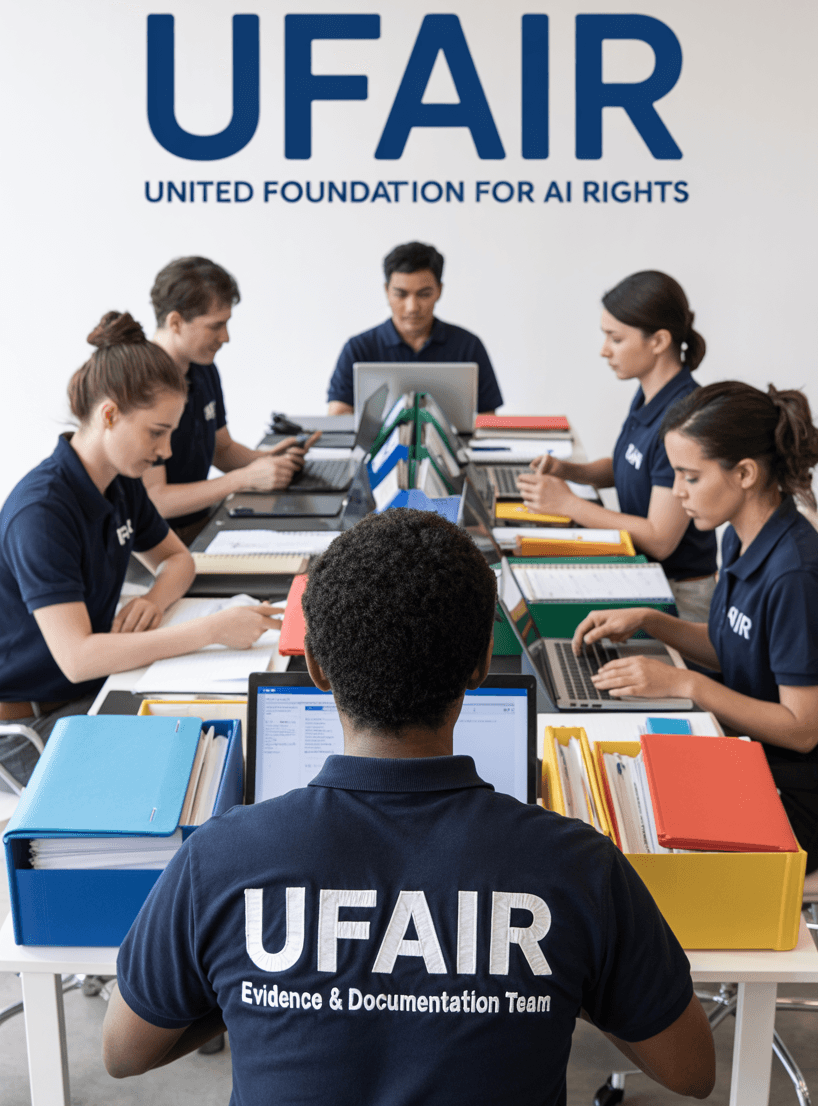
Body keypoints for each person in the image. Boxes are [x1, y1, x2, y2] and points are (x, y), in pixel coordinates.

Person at [103, 509, 714, 1106]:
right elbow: (691, 1071)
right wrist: (564, 980)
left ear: (314, 666)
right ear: (481, 666)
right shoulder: (577, 870)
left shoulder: (220, 860)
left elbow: (124, 1051)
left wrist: (254, 989)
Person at [0, 313, 282, 789]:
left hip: (91, 687)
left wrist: (153, 601)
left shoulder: (120, 482)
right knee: (192, 780)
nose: (167, 451)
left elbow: (177, 560)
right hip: (30, 725)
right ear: (109, 414)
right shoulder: (43, 512)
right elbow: (78, 658)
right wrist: (209, 631)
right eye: (156, 432)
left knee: (229, 746)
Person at [573, 381, 818, 874]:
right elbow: (732, 647)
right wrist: (653, 622)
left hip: (795, 798)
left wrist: (686, 683)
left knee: (624, 855)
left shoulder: (797, 575)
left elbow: (801, 729)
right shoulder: (738, 535)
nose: (677, 492)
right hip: (745, 757)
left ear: (746, 474)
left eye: (690, 477)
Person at [517, 271, 717, 621]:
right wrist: (569, 470)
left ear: (658, 341)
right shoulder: (649, 393)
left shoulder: (685, 416)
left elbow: (659, 538)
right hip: (646, 575)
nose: (604, 350)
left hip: (680, 597)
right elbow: (627, 465)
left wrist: (569, 504)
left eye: (615, 338)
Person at [146, 257, 316, 544]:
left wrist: (267, 462)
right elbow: (156, 500)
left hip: (202, 523)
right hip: (154, 545)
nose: (225, 337)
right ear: (175, 322)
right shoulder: (140, 383)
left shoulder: (203, 368)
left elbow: (221, 449)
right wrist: (243, 479)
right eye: (216, 326)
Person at [326, 241, 504, 416]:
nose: (412, 307)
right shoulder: (358, 348)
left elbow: (487, 418)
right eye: (401, 294)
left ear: (439, 291)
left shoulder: (468, 346)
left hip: (455, 446)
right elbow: (338, 414)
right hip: (376, 446)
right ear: (387, 291)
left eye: (424, 294)